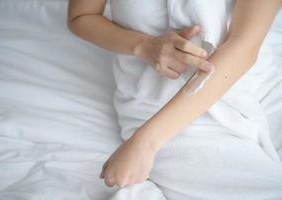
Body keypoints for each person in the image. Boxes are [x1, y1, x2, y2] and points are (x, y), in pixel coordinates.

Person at [68, 0, 282, 198]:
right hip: (159, 107)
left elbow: (244, 45)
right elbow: (81, 16)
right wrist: (143, 45)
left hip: (260, 87)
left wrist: (146, 141)